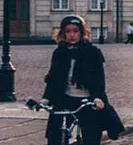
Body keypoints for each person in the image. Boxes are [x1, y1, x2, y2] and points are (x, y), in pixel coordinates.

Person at [41, 16, 108, 145]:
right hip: (65, 98)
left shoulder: (92, 52)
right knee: (55, 135)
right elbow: (53, 78)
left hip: (88, 100)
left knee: (91, 136)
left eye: (75, 31)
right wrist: (46, 98)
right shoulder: (59, 52)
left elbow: (99, 79)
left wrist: (98, 97)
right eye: (68, 31)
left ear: (82, 33)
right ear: (63, 33)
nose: (72, 35)